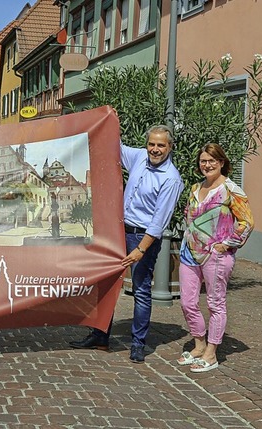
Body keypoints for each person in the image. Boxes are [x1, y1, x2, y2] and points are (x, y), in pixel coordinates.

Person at [69, 125, 184, 363]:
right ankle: (100, 335)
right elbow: (115, 148)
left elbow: (158, 222)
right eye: (151, 144)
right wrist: (104, 122)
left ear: (170, 147)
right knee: (106, 284)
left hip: (143, 238)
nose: (155, 149)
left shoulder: (171, 179)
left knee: (141, 291)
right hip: (119, 230)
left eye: (161, 145)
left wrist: (141, 249)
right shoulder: (140, 157)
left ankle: (138, 344)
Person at [176, 144, 253, 372]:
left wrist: (226, 244)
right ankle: (199, 344)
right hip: (189, 252)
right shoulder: (195, 188)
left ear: (221, 162)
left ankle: (211, 353)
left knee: (215, 303)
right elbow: (188, 216)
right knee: (187, 302)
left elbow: (246, 222)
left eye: (212, 160)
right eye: (203, 161)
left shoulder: (231, 190)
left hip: (216, 255)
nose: (206, 165)